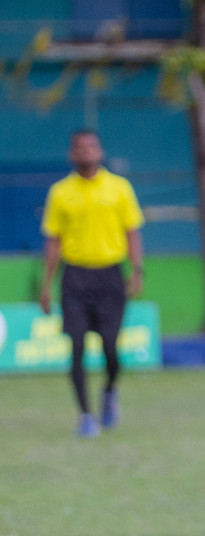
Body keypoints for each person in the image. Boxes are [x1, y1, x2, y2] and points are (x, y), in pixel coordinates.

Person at [38, 129, 145, 437]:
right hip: (74, 277)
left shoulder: (119, 188)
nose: (86, 152)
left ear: (100, 152)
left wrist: (136, 270)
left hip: (110, 276)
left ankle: (110, 391)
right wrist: (47, 285)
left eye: (91, 147)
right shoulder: (60, 192)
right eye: (80, 148)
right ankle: (86, 416)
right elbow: (53, 240)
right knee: (77, 346)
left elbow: (132, 231)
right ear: (72, 154)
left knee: (111, 348)